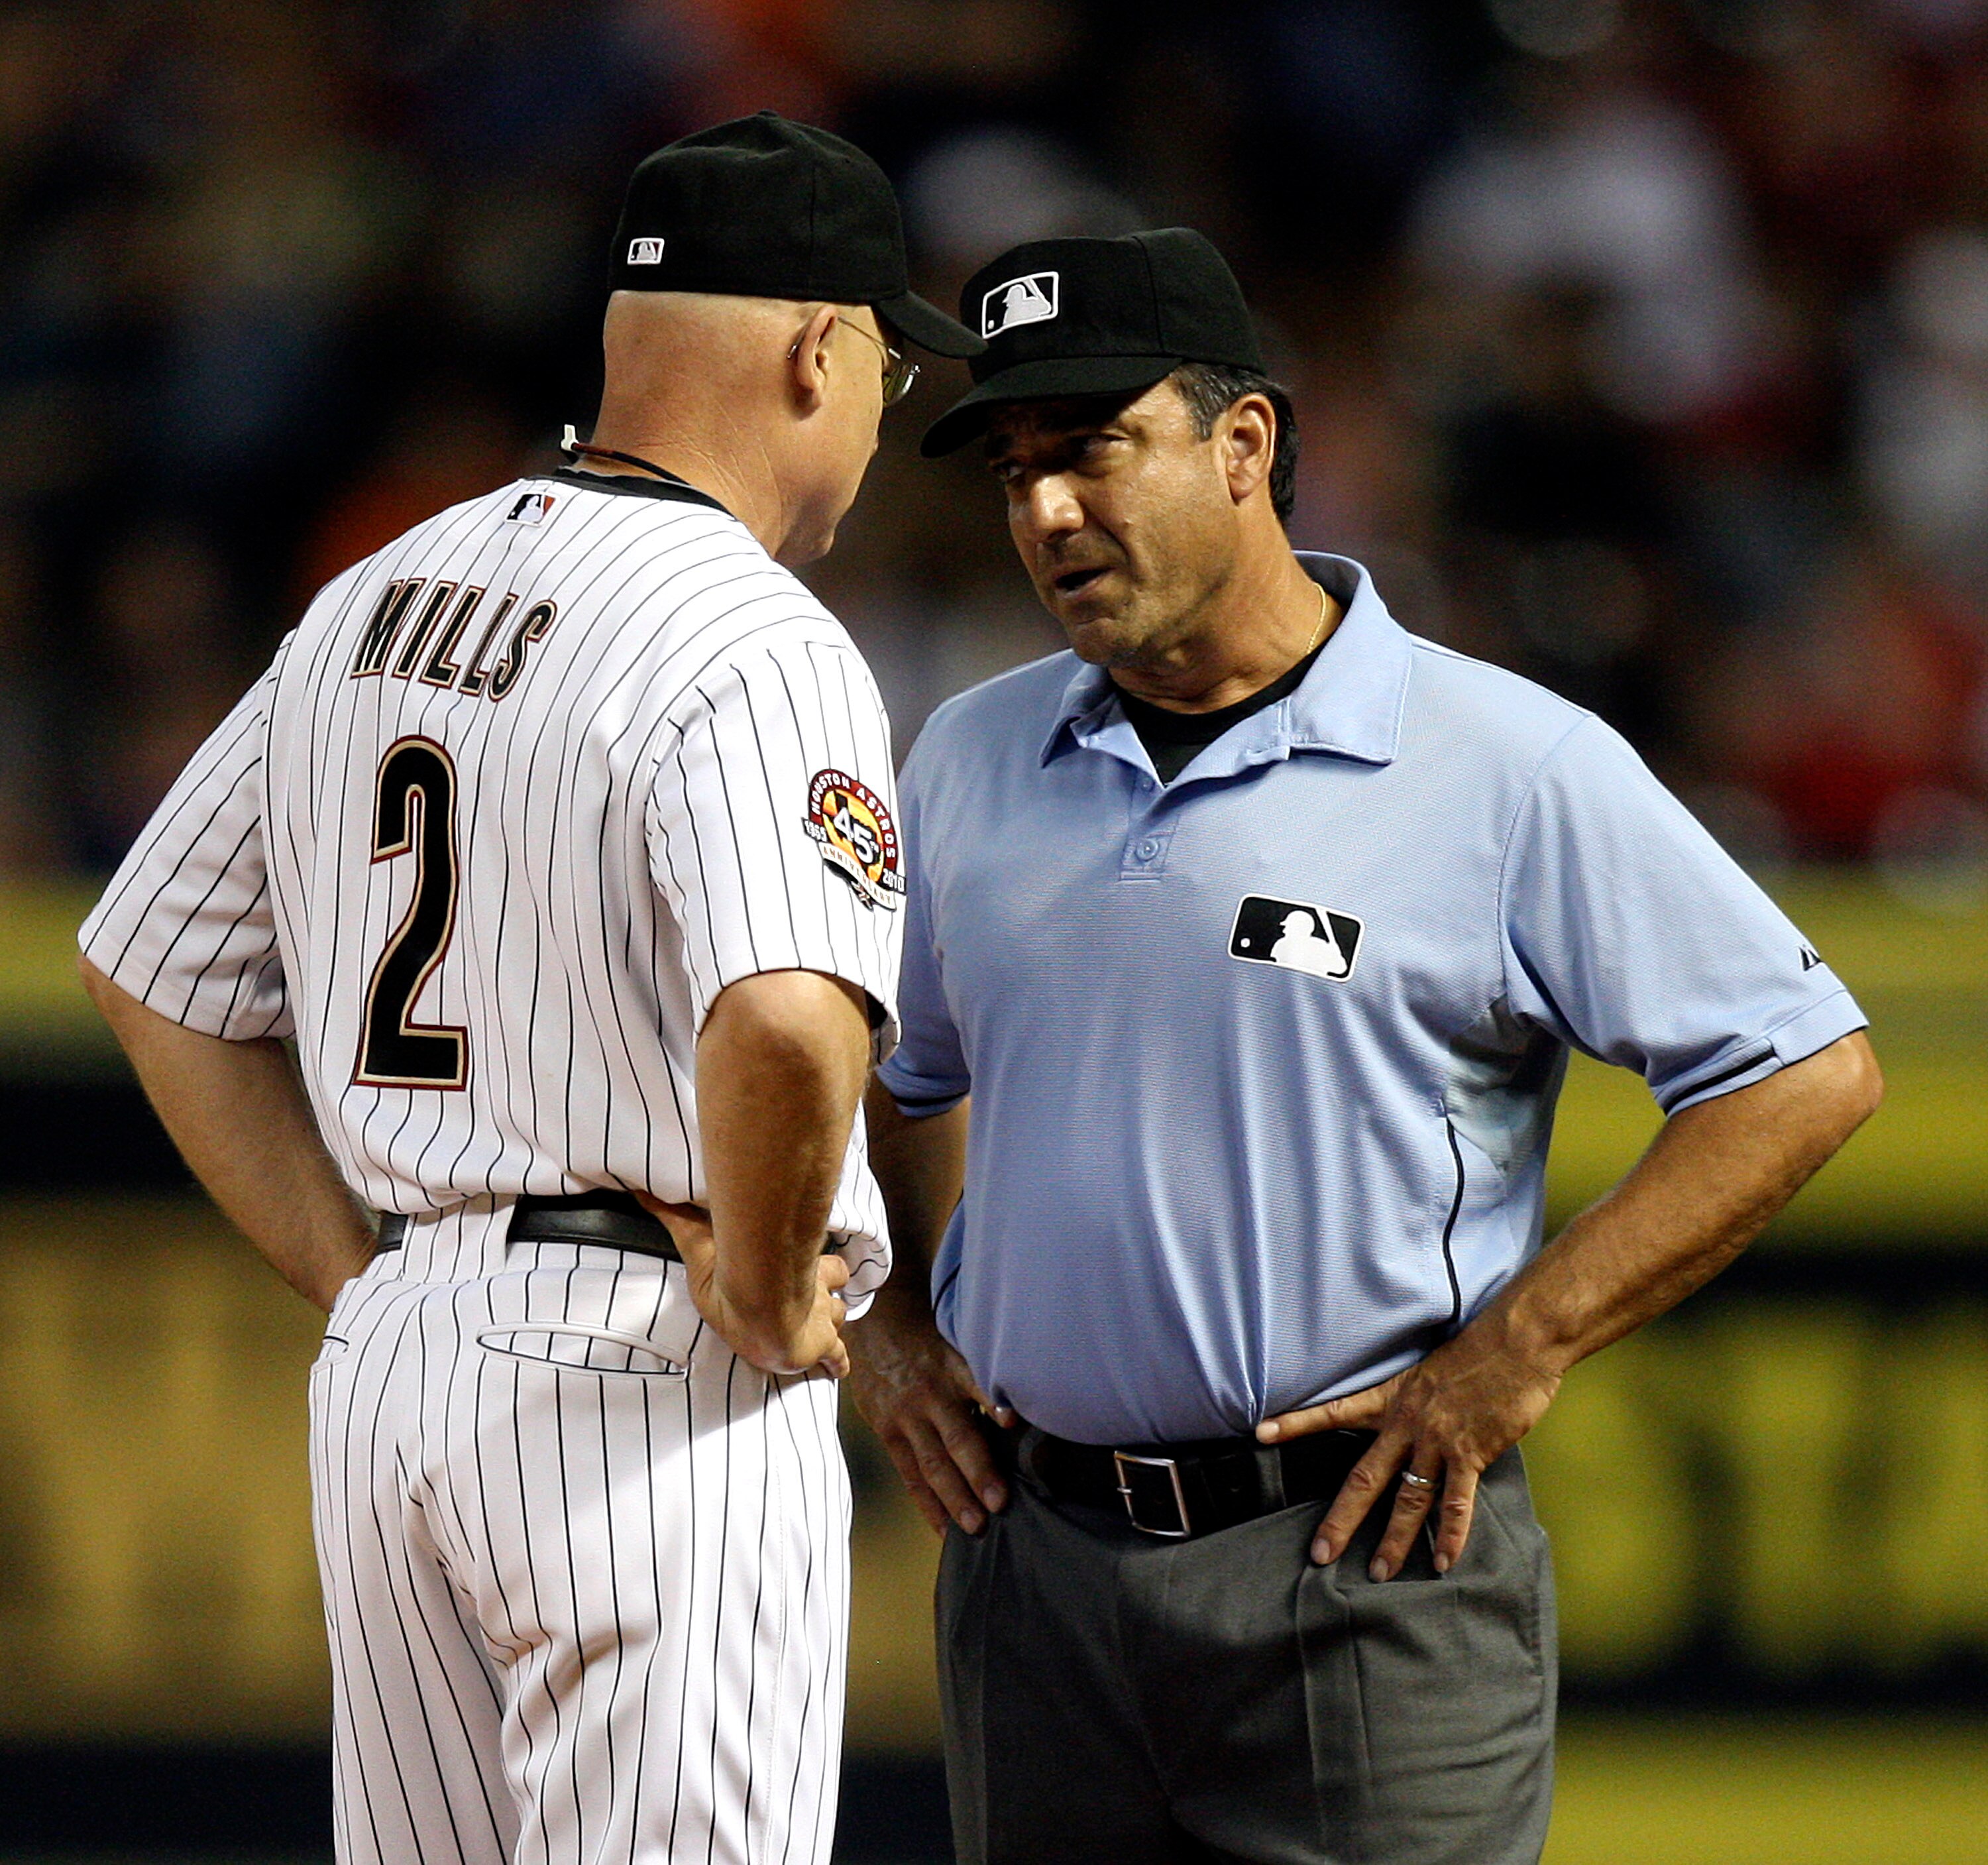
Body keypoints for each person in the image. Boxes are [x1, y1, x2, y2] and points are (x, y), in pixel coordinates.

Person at [850, 227, 1882, 1865]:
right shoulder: (973, 754)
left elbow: (1802, 1065)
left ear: (1244, 443)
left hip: (1357, 1563)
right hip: (1033, 1569)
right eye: (1015, 471)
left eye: (1093, 450)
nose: (1046, 510)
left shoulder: (1502, 761)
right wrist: (893, 1326)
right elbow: (904, 1075)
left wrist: (1519, 1351)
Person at [78, 113, 979, 1865]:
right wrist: (784, 1284)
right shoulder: (754, 631)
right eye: (883, 360)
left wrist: (364, 1280)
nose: (880, 416)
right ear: (817, 348)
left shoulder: (376, 595)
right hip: (648, 1358)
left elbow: (151, 964)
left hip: (403, 1360)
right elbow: (790, 1020)